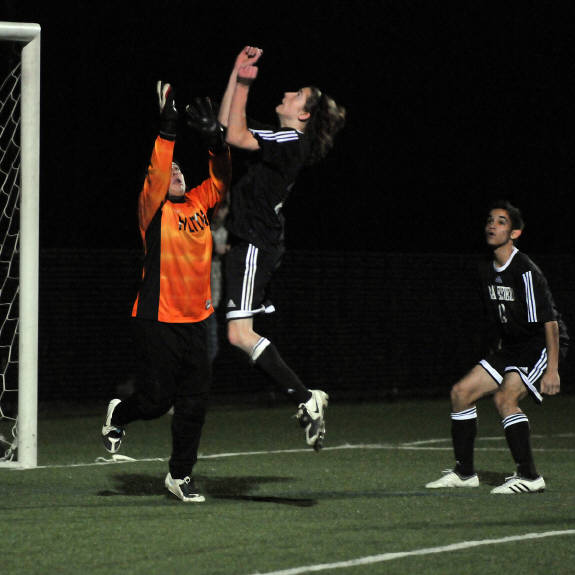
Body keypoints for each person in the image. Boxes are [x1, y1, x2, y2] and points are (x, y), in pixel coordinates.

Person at [101, 82, 231, 503]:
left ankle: (179, 475)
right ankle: (121, 412)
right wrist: (168, 129)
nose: (175, 172)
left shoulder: (198, 202)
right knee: (157, 401)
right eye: (170, 170)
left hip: (197, 320)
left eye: (180, 169)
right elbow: (158, 169)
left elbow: (221, 178)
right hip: (156, 319)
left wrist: (217, 143)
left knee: (195, 402)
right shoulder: (152, 209)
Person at [217, 46, 346, 450]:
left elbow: (234, 135)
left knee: (239, 334)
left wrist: (245, 82)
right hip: (251, 242)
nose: (287, 94)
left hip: (255, 243)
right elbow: (228, 125)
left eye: (297, 95)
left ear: (303, 114)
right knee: (238, 333)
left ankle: (307, 397)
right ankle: (307, 397)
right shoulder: (285, 139)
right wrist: (237, 74)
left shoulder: (291, 139)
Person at [426, 200, 569, 494]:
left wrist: (552, 369)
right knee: (461, 393)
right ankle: (465, 473)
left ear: (515, 233)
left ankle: (529, 477)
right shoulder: (486, 268)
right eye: (490, 220)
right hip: (513, 346)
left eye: (501, 221)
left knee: (505, 397)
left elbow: (550, 323)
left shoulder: (525, 270)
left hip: (540, 344)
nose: (492, 225)